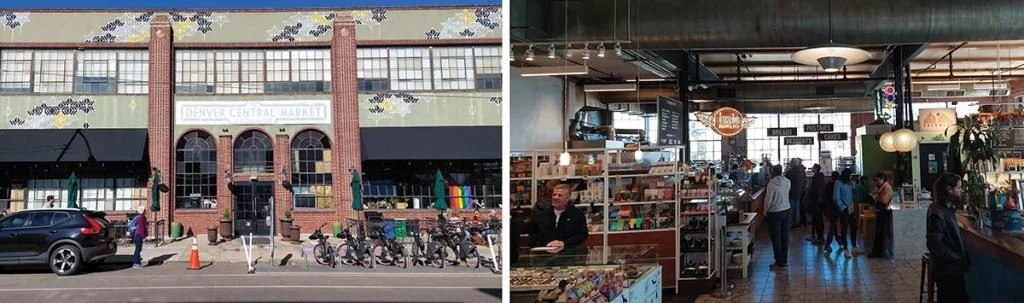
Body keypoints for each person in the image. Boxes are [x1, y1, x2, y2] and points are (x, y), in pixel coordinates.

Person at [927, 173, 970, 303]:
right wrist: (957, 258)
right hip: (948, 270)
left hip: (949, 269)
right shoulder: (938, 212)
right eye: (959, 187)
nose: (961, 191)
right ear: (949, 189)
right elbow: (934, 244)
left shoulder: (943, 209)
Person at [527, 184, 588, 254]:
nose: (555, 197)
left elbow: (582, 235)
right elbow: (533, 233)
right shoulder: (542, 213)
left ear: (567, 198)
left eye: (559, 195)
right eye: (554, 195)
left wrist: (563, 243)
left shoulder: (577, 214)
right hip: (544, 255)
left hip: (568, 254)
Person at [763, 164, 791, 270]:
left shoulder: (771, 184)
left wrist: (765, 211)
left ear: (773, 172)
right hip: (786, 209)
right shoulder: (788, 181)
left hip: (775, 212)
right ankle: (784, 260)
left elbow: (768, 200)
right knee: (785, 236)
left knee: (776, 237)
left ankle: (778, 261)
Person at [829, 169, 855, 257]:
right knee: (844, 229)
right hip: (843, 209)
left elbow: (853, 195)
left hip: (851, 208)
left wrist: (853, 187)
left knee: (853, 227)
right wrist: (843, 208)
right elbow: (836, 197)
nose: (851, 177)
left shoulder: (849, 183)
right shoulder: (838, 183)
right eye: (850, 175)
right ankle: (845, 248)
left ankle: (854, 246)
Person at [869, 172, 894, 258]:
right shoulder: (882, 187)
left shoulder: (886, 188)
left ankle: (878, 252)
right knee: (879, 233)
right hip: (880, 211)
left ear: (882, 179)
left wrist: (875, 197)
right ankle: (877, 251)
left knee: (880, 233)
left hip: (883, 212)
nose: (876, 182)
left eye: (877, 180)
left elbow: (883, 201)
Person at [805, 164, 826, 244]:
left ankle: (819, 237)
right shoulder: (821, 176)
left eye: (813, 167)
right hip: (820, 201)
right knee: (819, 219)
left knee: (817, 219)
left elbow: (814, 190)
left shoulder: (815, 177)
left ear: (816, 169)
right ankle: (820, 236)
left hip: (816, 201)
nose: (812, 169)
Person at [784, 158, 806, 229]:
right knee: (797, 207)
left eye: (791, 162)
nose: (790, 163)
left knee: (791, 208)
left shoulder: (791, 172)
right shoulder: (802, 171)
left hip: (792, 191)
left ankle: (792, 223)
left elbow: (785, 178)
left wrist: (786, 170)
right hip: (800, 191)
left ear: (793, 164)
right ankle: (797, 223)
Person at [822, 171, 840, 250]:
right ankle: (827, 244)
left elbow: (825, 198)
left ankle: (839, 240)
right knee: (833, 226)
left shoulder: (828, 185)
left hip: (829, 208)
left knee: (833, 225)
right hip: (836, 208)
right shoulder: (838, 186)